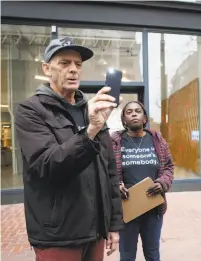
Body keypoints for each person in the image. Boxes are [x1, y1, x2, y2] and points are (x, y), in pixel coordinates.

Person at [14, 37, 123, 261]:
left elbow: (110, 172)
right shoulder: (30, 111)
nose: (73, 70)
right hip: (58, 235)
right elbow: (48, 165)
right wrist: (90, 131)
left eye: (78, 64)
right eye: (64, 63)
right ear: (46, 69)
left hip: (95, 233)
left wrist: (112, 224)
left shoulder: (92, 111)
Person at [110, 101, 174, 261]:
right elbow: (106, 171)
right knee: (127, 256)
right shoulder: (115, 142)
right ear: (124, 120)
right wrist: (116, 185)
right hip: (127, 210)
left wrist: (162, 183)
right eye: (129, 112)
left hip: (153, 209)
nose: (133, 114)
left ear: (144, 118)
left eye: (137, 111)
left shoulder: (157, 140)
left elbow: (169, 167)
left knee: (153, 254)